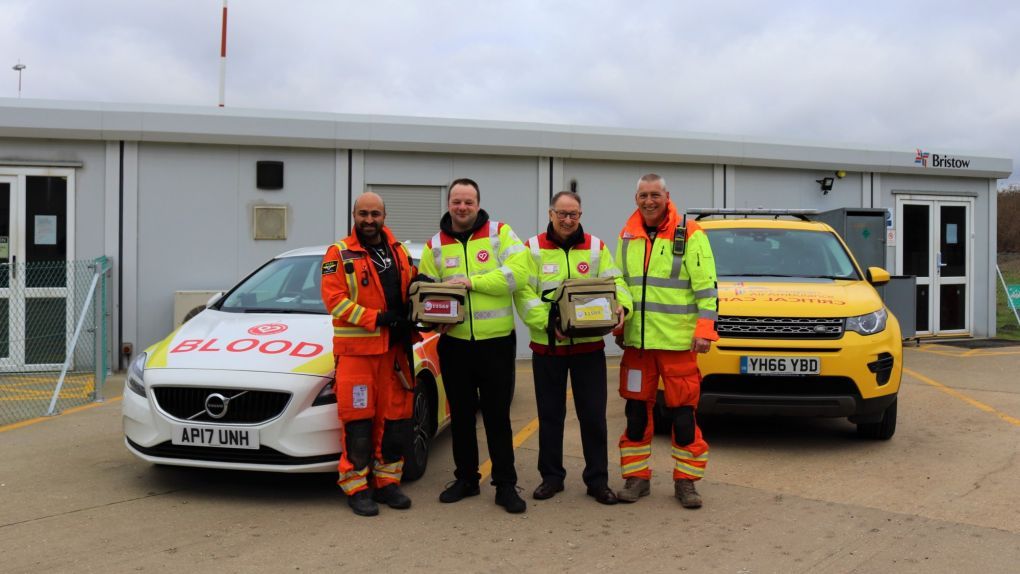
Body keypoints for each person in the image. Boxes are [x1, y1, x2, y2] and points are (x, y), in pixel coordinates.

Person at [418, 178, 530, 514]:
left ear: (478, 203)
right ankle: (466, 478)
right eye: (456, 201)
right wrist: (432, 319)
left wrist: (471, 281)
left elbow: (518, 275)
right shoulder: (435, 244)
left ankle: (505, 485)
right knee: (462, 418)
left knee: (498, 417)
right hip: (454, 345)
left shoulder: (500, 233)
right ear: (449, 203)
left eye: (468, 201)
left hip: (495, 344)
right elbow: (424, 290)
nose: (462, 207)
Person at [513, 191, 633, 505]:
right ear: (551, 213)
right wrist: (549, 322)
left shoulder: (595, 247)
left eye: (574, 214)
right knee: (550, 417)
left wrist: (623, 306)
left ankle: (597, 481)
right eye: (562, 214)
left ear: (581, 215)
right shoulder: (532, 248)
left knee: (594, 417)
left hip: (589, 349)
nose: (568, 220)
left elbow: (616, 281)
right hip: (548, 348)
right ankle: (551, 478)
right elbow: (523, 294)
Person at [613, 173, 719, 509]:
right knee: (635, 416)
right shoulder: (627, 234)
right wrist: (619, 325)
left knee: (684, 418)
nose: (648, 201)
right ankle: (636, 478)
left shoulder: (691, 234)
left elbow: (706, 287)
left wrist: (704, 331)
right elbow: (619, 283)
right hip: (638, 346)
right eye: (643, 195)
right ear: (636, 198)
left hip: (677, 346)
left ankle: (686, 482)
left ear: (667, 195)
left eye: (654, 194)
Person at [320, 192, 418, 517]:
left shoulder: (399, 251)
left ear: (384, 215)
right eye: (363, 213)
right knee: (358, 426)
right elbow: (335, 301)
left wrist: (425, 288)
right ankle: (357, 487)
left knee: (394, 423)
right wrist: (376, 318)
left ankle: (387, 483)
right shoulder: (338, 253)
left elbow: (410, 287)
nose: (369, 220)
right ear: (354, 215)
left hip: (394, 354)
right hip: (357, 356)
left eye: (375, 213)